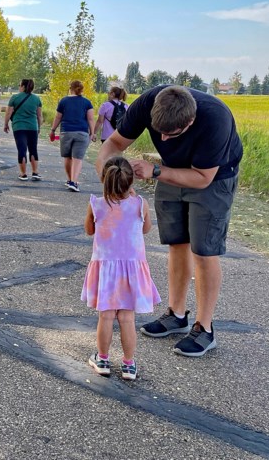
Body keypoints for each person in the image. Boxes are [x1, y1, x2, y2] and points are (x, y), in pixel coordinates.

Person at [95, 84, 243, 358]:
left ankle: (204, 328)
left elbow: (202, 178)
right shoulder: (148, 102)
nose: (162, 138)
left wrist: (156, 170)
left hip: (212, 177)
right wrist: (110, 177)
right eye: (158, 130)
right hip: (169, 170)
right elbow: (114, 143)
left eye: (171, 133)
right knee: (177, 242)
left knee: (204, 250)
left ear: (189, 121)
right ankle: (176, 314)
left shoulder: (215, 119)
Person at [82, 156, 160, 381]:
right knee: (127, 319)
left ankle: (103, 359)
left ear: (104, 181)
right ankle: (128, 364)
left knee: (105, 317)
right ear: (131, 182)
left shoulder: (96, 204)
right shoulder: (140, 204)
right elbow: (146, 229)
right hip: (131, 271)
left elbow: (89, 230)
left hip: (106, 270)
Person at [48, 80, 95, 192]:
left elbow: (58, 117)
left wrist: (53, 130)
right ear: (81, 89)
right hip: (82, 133)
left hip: (66, 132)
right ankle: (74, 182)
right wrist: (92, 133)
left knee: (68, 157)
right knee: (77, 159)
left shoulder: (64, 101)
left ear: (70, 88)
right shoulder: (87, 102)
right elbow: (91, 119)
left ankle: (70, 180)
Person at [3, 78, 42, 181]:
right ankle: (35, 172)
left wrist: (6, 124)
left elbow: (8, 113)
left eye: (20, 85)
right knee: (33, 149)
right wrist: (39, 127)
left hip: (19, 127)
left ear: (23, 87)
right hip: (33, 127)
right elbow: (39, 116)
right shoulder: (36, 99)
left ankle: (23, 174)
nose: (19, 87)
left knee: (22, 149)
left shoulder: (15, 98)